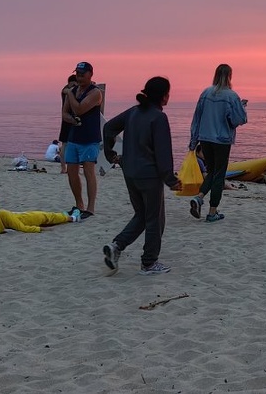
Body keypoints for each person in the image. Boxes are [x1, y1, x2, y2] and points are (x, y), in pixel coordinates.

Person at [101, 76, 177, 275]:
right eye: (168, 93)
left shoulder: (133, 112)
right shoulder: (158, 117)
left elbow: (108, 128)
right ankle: (149, 263)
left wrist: (110, 155)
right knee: (155, 219)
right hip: (149, 175)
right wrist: (170, 179)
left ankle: (116, 246)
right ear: (163, 96)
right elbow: (163, 152)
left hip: (130, 172)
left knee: (142, 215)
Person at [188, 63, 248, 223]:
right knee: (219, 174)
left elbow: (197, 118)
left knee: (212, 170)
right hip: (222, 139)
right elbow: (238, 119)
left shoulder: (205, 93)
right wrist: (241, 107)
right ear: (230, 76)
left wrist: (193, 141)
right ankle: (212, 211)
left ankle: (199, 197)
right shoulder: (231, 96)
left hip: (205, 138)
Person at [62, 62, 105, 217]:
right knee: (71, 172)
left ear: (90, 74)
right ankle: (79, 204)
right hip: (74, 137)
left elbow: (80, 108)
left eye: (82, 74)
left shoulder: (95, 92)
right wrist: (72, 120)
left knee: (89, 172)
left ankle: (90, 207)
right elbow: (65, 113)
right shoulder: (74, 91)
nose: (79, 77)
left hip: (90, 138)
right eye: (77, 74)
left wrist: (69, 94)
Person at [0, 192, 80, 234]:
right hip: (27, 219)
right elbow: (21, 227)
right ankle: (72, 218)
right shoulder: (1, 213)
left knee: (49, 217)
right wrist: (41, 229)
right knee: (48, 216)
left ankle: (66, 215)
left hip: (21, 217)